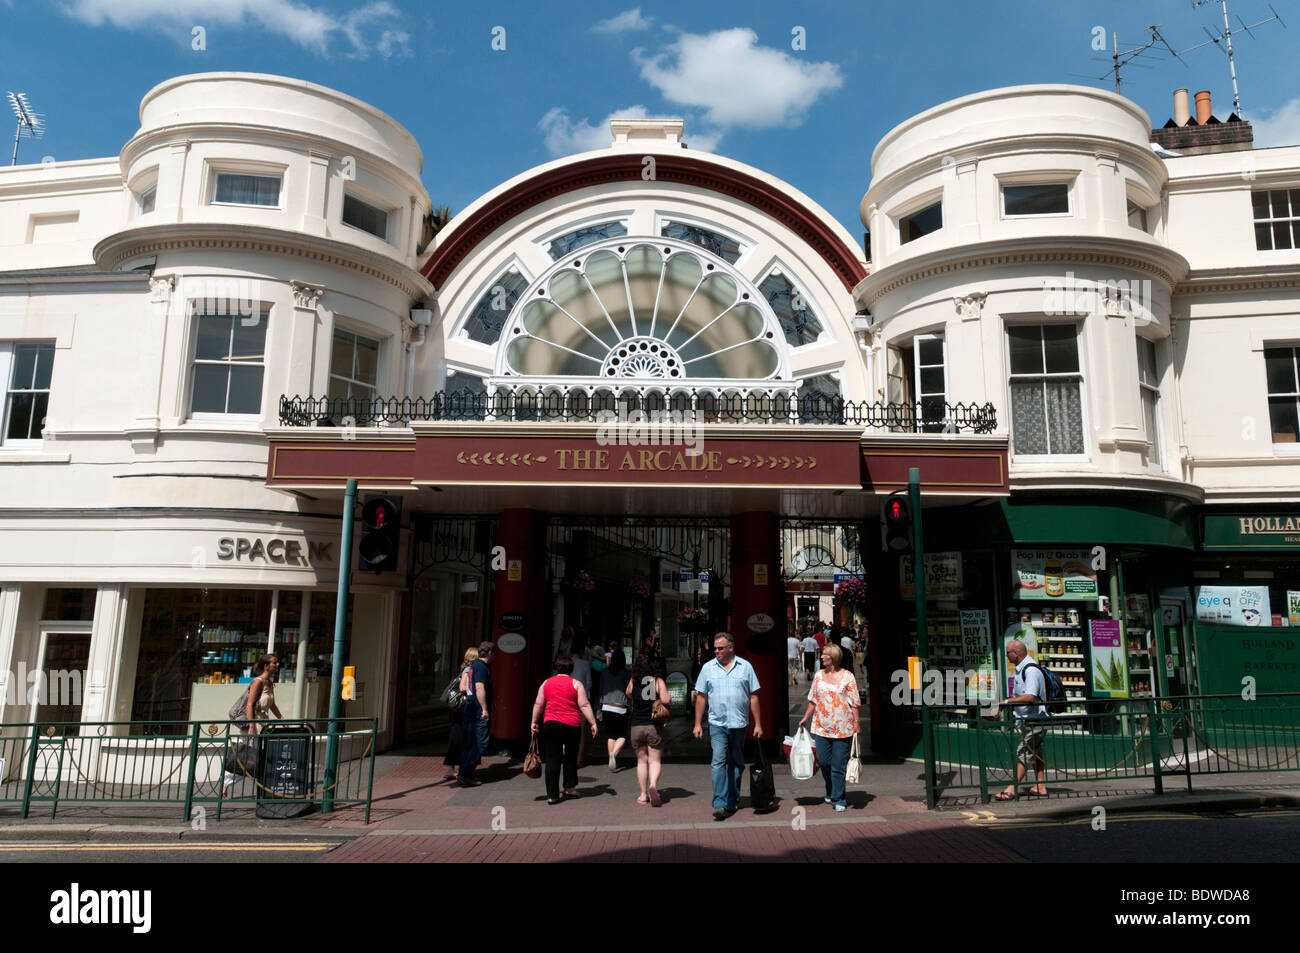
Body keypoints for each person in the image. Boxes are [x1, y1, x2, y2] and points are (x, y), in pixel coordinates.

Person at [692, 632, 762, 820]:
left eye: (720, 648)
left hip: (739, 724)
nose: (716, 651)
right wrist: (698, 723)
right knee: (718, 762)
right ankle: (719, 803)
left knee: (737, 764)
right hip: (717, 724)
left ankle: (733, 799)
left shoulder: (745, 667)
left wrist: (758, 724)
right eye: (715, 648)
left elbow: (754, 696)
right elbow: (701, 697)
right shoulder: (708, 668)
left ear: (731, 648)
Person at [796, 643, 860, 811]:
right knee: (824, 762)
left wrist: (856, 722)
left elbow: (854, 702)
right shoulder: (818, 676)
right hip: (821, 727)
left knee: (838, 765)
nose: (822, 657)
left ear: (833, 657)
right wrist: (805, 718)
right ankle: (831, 789)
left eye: (825, 654)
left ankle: (839, 799)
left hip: (842, 728)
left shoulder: (848, 677)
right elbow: (813, 699)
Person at [530, 654, 598, 804]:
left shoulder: (546, 683)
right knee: (570, 757)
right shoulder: (576, 684)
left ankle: (552, 795)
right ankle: (569, 788)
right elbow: (584, 705)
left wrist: (534, 721)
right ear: (571, 669)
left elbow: (538, 704)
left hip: (551, 724)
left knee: (552, 759)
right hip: (571, 725)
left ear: (557, 667)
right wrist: (593, 723)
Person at [222, 654, 282, 797]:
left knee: (257, 755)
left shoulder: (269, 682)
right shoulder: (257, 682)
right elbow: (249, 704)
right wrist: (252, 726)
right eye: (274, 662)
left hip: (260, 723)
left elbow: (271, 703)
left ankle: (267, 786)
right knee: (250, 756)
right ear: (266, 666)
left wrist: (281, 718)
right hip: (251, 722)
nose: (277, 664)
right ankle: (226, 782)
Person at [997, 639, 1048, 800]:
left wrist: (1006, 702)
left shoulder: (1031, 670)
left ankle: (1012, 787)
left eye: (1008, 653)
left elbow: (1030, 697)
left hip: (1035, 721)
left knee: (1024, 753)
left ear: (1016, 654)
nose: (1006, 656)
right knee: (1036, 753)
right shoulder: (1021, 669)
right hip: (1029, 720)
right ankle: (1040, 786)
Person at [628, 650, 671, 806]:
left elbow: (628, 694)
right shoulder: (657, 681)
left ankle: (643, 794)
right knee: (654, 761)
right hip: (654, 726)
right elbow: (666, 700)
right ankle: (653, 786)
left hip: (637, 725)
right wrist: (658, 698)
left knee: (641, 761)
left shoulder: (633, 680)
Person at [457, 641, 494, 787]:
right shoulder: (481, 667)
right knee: (480, 743)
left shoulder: (476, 666)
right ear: (490, 653)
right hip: (477, 710)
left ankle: (465, 773)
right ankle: (465, 774)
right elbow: (479, 688)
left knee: (471, 742)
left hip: (472, 709)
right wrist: (484, 709)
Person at [443, 647, 478, 780]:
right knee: (460, 737)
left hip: (460, 709)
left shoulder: (465, 669)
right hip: (463, 709)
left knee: (457, 737)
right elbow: (463, 687)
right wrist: (477, 690)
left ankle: (451, 768)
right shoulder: (469, 670)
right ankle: (452, 769)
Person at [599, 647, 630, 770]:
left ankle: (612, 759)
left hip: (606, 707)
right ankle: (613, 754)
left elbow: (600, 691)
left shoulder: (604, 673)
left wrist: (598, 709)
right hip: (621, 708)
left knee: (610, 735)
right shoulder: (625, 674)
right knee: (622, 735)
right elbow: (629, 691)